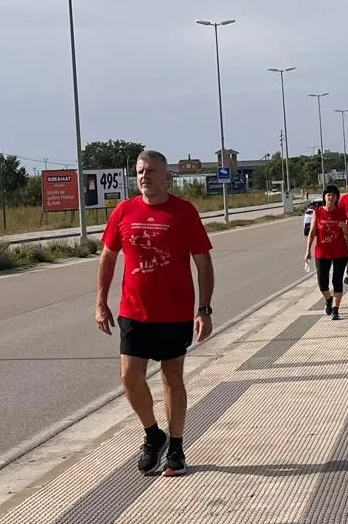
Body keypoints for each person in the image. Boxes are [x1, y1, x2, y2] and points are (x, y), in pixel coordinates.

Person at [95, 149, 214, 477]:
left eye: (150, 171)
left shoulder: (184, 212)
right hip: (133, 312)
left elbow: (203, 262)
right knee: (129, 378)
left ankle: (175, 446)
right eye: (139, 171)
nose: (144, 176)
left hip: (175, 314)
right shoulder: (124, 211)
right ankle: (153, 434)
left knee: (172, 378)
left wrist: (203, 309)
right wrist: (100, 301)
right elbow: (107, 257)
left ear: (167, 177)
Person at [305, 184, 348, 320]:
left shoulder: (341, 212)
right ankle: (328, 299)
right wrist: (307, 250)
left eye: (333, 195)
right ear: (325, 197)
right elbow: (312, 232)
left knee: (337, 280)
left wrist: (344, 229)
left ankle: (336, 309)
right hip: (322, 252)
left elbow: (347, 234)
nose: (331, 197)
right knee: (322, 283)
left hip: (339, 252)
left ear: (337, 198)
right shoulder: (318, 212)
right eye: (328, 195)